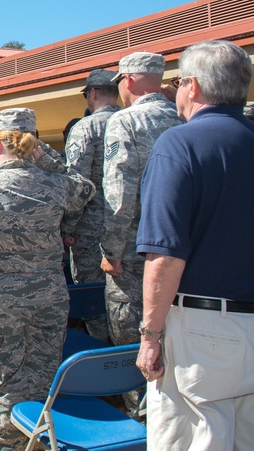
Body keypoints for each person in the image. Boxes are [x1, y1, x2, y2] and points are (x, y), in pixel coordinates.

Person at [136, 40, 254, 450]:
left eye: (176, 82)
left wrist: (150, 334)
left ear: (192, 86)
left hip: (203, 329)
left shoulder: (180, 143)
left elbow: (165, 254)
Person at [0, 108, 95, 451]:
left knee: (3, 386)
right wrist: (48, 160)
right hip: (48, 300)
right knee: (42, 382)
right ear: (34, 144)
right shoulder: (57, 186)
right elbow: (85, 190)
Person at [100, 52, 182, 349]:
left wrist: (112, 250)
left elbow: (118, 193)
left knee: (132, 340)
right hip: (184, 247)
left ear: (129, 80)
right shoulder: (184, 115)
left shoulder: (125, 120)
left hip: (137, 249)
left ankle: (138, 396)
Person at [60, 68, 121, 340]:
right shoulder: (132, 122)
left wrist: (68, 228)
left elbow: (77, 185)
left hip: (92, 230)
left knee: (94, 298)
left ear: (92, 93)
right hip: (133, 228)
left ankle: (105, 358)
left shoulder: (86, 127)